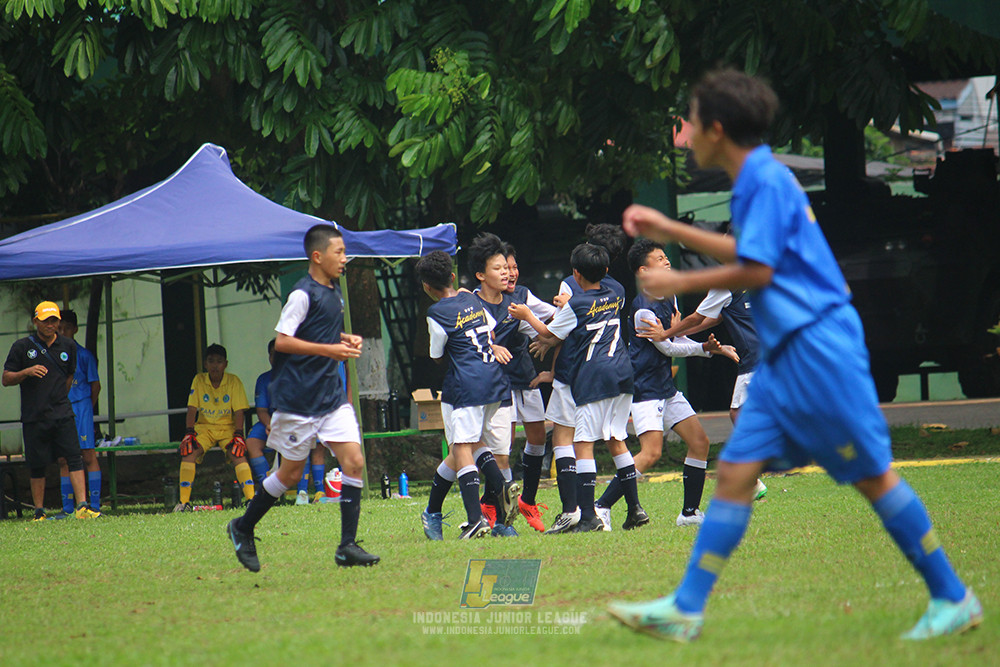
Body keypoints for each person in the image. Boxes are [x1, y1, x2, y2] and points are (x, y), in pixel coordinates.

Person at [608, 68, 981, 641]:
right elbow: (752, 252)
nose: (682, 136)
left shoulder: (762, 180)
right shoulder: (758, 178)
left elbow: (758, 269)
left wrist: (677, 272)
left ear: (716, 127)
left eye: (687, 122)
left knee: (873, 477)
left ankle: (953, 596)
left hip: (819, 350)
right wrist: (671, 233)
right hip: (788, 357)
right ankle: (686, 607)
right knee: (733, 474)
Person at [227, 223, 379, 570]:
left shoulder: (333, 291)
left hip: (331, 396)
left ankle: (347, 546)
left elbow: (320, 329)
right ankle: (242, 526)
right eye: (338, 252)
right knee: (291, 475)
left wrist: (345, 338)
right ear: (317, 256)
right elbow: (282, 340)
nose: (344, 258)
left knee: (353, 461)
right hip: (298, 399)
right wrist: (330, 349)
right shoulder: (301, 294)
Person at [594, 239, 739, 531]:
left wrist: (710, 347)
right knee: (651, 454)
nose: (668, 262)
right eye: (660, 259)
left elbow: (673, 338)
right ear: (645, 271)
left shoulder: (668, 298)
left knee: (699, 442)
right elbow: (668, 348)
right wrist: (705, 350)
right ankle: (601, 507)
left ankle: (689, 513)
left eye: (666, 257)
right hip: (646, 389)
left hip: (665, 388)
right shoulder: (642, 310)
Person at [511, 242, 636, 534]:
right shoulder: (617, 293)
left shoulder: (575, 302)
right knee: (617, 438)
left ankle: (583, 514)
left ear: (576, 273)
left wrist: (528, 316)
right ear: (606, 270)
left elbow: (549, 332)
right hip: (622, 374)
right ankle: (634, 508)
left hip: (589, 377)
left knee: (579, 444)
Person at [416, 249, 517, 541]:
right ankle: (499, 486)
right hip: (494, 381)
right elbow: (491, 332)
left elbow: (436, 355)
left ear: (426, 286)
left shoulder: (435, 313)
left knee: (460, 449)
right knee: (474, 445)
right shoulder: (472, 298)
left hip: (465, 385)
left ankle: (476, 520)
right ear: (452, 276)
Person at [649, 271, 768, 501]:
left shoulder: (725, 282)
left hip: (754, 357)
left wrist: (666, 333)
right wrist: (680, 332)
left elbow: (697, 317)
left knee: (738, 415)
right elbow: (716, 317)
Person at [2, 301, 100, 520]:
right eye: (46, 321)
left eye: (54, 320)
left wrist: (57, 397)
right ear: (35, 321)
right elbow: (6, 378)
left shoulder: (68, 346)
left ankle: (82, 505)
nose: (50, 325)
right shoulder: (21, 347)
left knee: (74, 457)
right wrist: (26, 372)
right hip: (34, 415)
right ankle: (39, 510)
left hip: (62, 413)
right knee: (37, 464)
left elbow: (69, 377)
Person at [468, 233, 527, 537]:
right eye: (498, 268)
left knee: (502, 456)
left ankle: (501, 523)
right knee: (469, 453)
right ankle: (445, 512)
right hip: (472, 392)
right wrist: (490, 346)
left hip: (503, 390)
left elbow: (549, 324)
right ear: (481, 275)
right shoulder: (467, 303)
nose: (506, 272)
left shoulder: (516, 305)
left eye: (507, 267)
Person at [502, 242, 557, 532]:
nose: (510, 273)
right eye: (503, 268)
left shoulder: (523, 296)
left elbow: (554, 320)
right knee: (504, 444)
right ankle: (499, 508)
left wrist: (550, 331)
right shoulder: (480, 299)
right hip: (499, 380)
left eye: (513, 268)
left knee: (536, 437)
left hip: (525, 375)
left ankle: (528, 501)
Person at [175, 343, 254, 511]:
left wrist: (239, 435)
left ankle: (251, 500)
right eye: (211, 361)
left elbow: (239, 412)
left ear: (225, 364)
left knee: (237, 453)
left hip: (228, 429)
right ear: (205, 364)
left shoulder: (234, 381)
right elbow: (191, 409)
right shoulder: (198, 380)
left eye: (219, 361)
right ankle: (184, 503)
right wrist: (189, 433)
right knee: (188, 452)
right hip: (204, 428)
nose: (215, 365)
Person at [57, 310, 102, 514]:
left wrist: (87, 408)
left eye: (67, 327)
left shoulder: (84, 355)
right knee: (63, 458)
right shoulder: (53, 355)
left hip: (81, 407)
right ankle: (68, 508)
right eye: (59, 328)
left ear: (75, 329)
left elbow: (96, 386)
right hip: (61, 409)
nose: (63, 331)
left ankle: (94, 506)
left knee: (88, 455)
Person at [245, 339, 276, 488]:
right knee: (251, 442)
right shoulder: (263, 379)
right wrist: (270, 425)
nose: (276, 358)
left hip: (292, 422)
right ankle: (267, 487)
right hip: (270, 421)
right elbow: (261, 410)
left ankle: (301, 490)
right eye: (272, 354)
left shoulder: (296, 377)